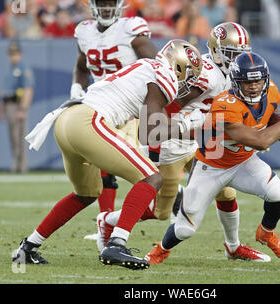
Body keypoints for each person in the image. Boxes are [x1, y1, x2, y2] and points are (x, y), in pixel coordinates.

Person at [12, 39, 204, 270]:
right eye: (189, 75)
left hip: (65, 120)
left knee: (86, 193)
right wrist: (188, 125)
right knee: (152, 178)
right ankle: (117, 243)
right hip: (88, 121)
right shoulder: (165, 76)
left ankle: (27, 248)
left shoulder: (147, 65)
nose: (188, 83)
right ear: (181, 68)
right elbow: (149, 133)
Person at [96, 22, 273, 262]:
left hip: (204, 138)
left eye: (242, 53)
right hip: (176, 140)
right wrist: (156, 149)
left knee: (226, 193)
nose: (238, 59)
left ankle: (233, 247)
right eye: (233, 54)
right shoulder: (206, 75)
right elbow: (164, 110)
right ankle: (106, 220)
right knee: (160, 212)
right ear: (217, 50)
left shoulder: (234, 74)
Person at [144, 52, 280, 265]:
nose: (254, 86)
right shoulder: (225, 104)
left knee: (278, 193)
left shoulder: (271, 90)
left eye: (257, 81)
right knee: (185, 229)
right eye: (247, 82)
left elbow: (270, 112)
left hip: (243, 161)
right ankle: (161, 249)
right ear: (235, 83)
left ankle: (266, 233)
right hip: (212, 165)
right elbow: (260, 141)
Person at [69, 0, 159, 237]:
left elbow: (155, 64)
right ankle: (105, 223)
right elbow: (82, 67)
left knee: (140, 168)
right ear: (93, 5)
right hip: (102, 105)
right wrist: (77, 85)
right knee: (101, 163)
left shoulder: (131, 28)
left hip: (130, 106)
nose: (106, 7)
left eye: (110, 2)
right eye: (102, 3)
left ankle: (170, 199)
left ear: (119, 4)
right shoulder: (84, 32)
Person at [0, 42, 34, 173]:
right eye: (11, 54)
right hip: (9, 104)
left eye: (15, 54)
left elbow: (28, 90)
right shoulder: (10, 69)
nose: (13, 56)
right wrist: (1, 109)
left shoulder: (23, 68)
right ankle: (16, 163)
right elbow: (5, 91)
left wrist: (23, 109)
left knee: (20, 136)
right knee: (13, 136)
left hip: (18, 104)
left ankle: (22, 166)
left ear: (20, 54)